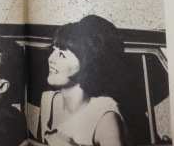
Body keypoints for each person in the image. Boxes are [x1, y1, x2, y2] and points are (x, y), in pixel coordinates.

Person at [31, 15, 129, 146]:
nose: (51, 59)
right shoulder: (48, 100)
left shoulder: (105, 117)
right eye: (53, 50)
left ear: (87, 64)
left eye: (62, 55)